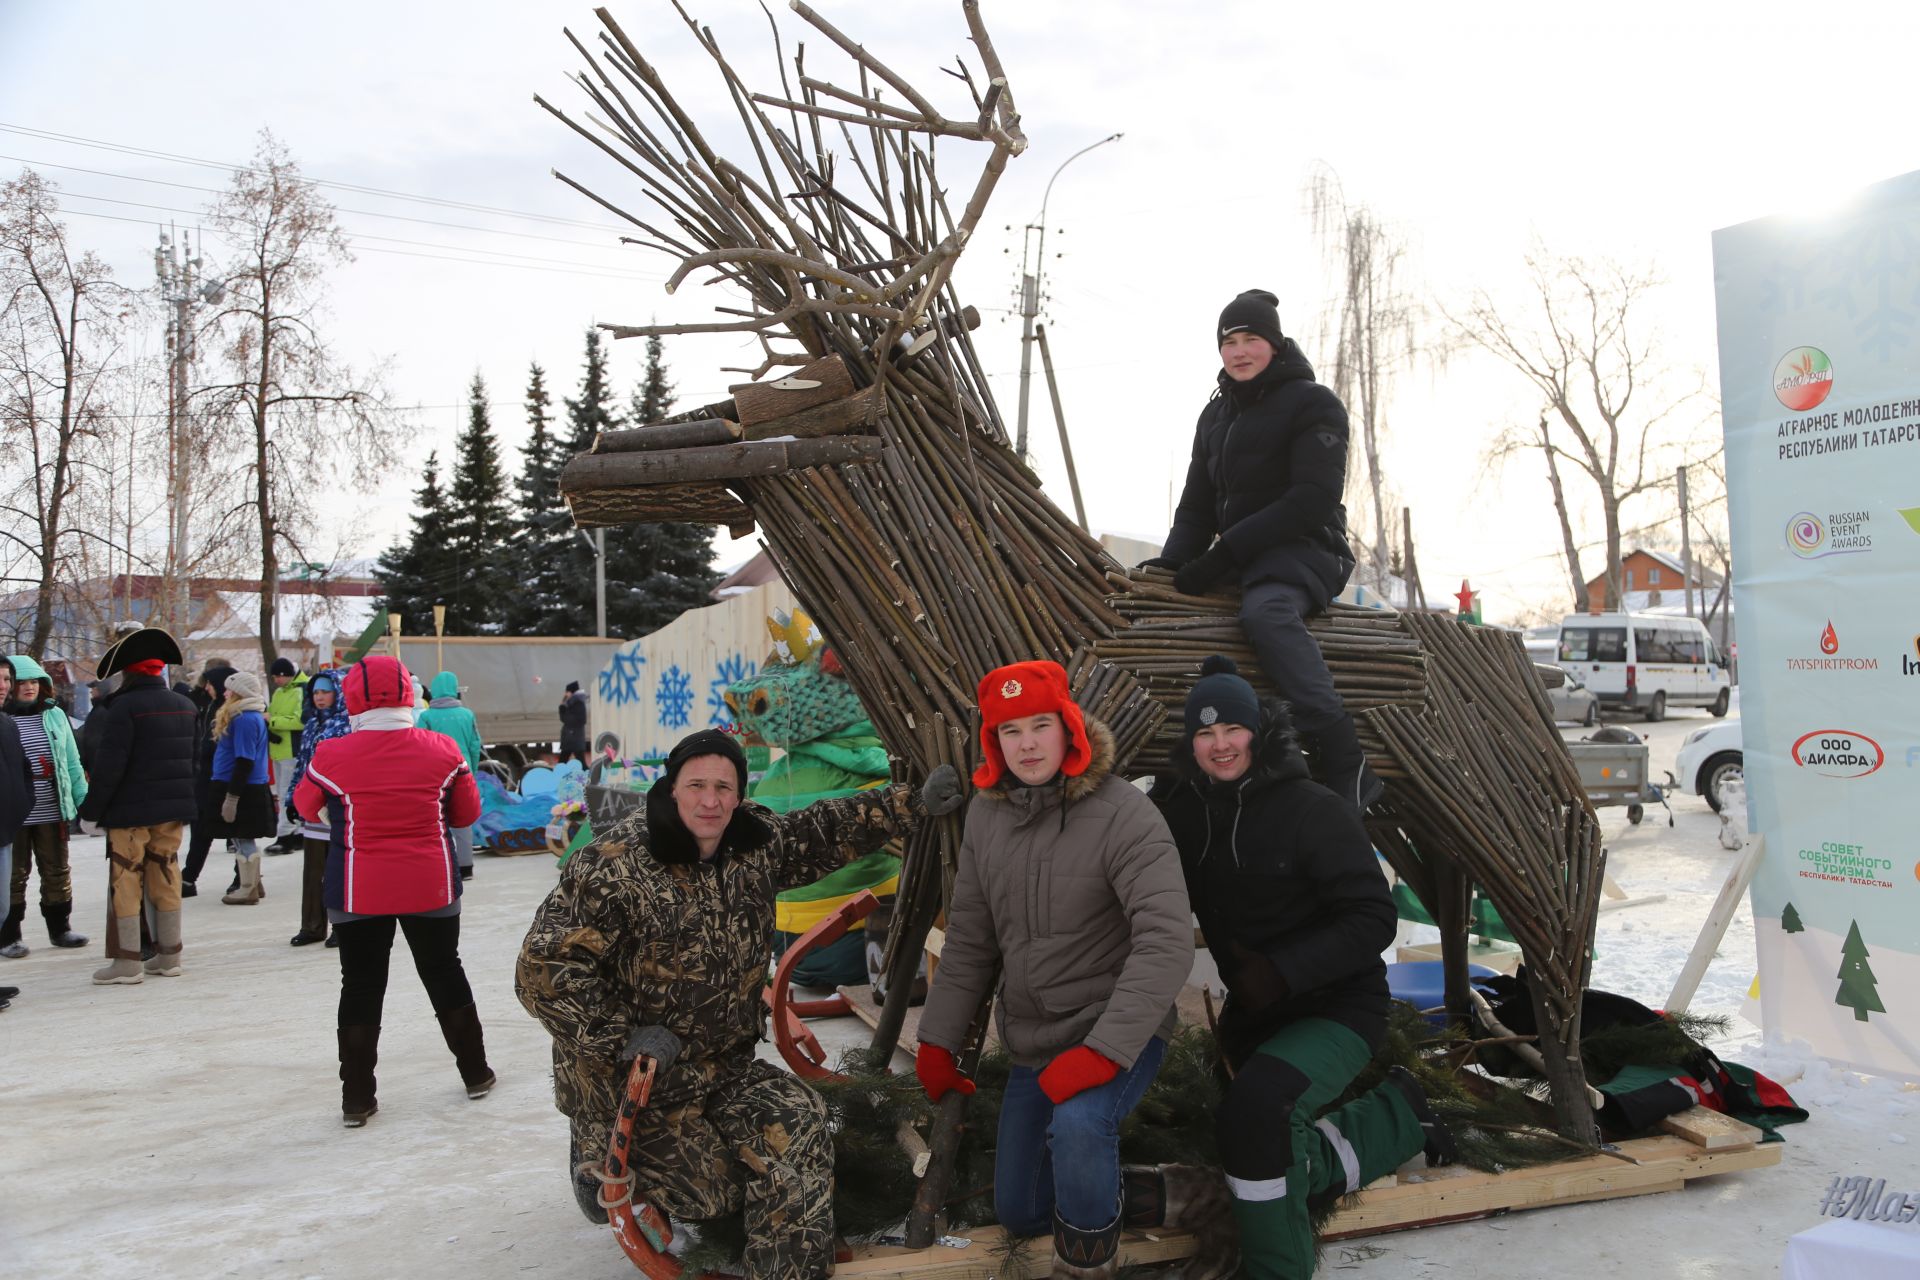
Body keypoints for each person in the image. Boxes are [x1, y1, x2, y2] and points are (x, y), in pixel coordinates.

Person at [517, 727, 958, 1280]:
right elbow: (543, 970)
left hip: (725, 1065)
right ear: (671, 787)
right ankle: (594, 1140)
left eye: (724, 787)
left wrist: (907, 804)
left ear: (740, 792)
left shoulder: (752, 843)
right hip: (633, 1074)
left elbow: (819, 831)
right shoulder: (616, 862)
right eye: (696, 784)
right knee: (710, 1194)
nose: (711, 800)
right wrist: (619, 1038)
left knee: (798, 1129)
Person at [1151, 657, 1455, 1280]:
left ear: (1257, 733)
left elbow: (1375, 917)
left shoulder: (1312, 808)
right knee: (1249, 1143)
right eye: (1204, 735)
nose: (1220, 745)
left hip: (1338, 1006)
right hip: (1255, 1014)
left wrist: (1284, 970)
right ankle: (1401, 1116)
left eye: (1232, 730)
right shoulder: (1184, 813)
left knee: (1258, 1116)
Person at [913, 660, 1193, 1280]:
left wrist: (1103, 1052)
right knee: (1020, 1207)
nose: (1028, 743)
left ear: (1069, 727)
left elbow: (1166, 942)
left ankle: (1089, 1267)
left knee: (1080, 1123)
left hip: (1115, 1028)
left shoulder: (1125, 814)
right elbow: (970, 943)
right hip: (1035, 1041)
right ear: (994, 743)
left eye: (1041, 724)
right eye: (1010, 731)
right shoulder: (988, 818)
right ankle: (1177, 1192)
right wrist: (937, 1041)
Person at [1147, 289, 1382, 811]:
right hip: (1244, 556)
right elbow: (1195, 507)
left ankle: (1342, 752)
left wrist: (1224, 553)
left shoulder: (1314, 403)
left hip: (1306, 547)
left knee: (1267, 612)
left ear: (1274, 345)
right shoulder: (1214, 418)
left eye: (1251, 338)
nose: (1239, 350)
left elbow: (1312, 500)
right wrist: (1169, 566)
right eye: (1229, 341)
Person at [294, 654, 494, 1126]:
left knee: (360, 985)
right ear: (409, 694)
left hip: (357, 887)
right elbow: (466, 815)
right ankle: (476, 1072)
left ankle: (357, 1098)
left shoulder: (331, 755)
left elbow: (305, 806)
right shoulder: (443, 749)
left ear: (354, 699)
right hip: (431, 882)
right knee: (444, 971)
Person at [76, 628, 198, 985]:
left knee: (126, 879)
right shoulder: (186, 705)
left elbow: (109, 767)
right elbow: (193, 762)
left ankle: (128, 961)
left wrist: (90, 812)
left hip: (129, 812)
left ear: (128, 671)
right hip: (172, 811)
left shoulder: (123, 708)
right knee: (167, 874)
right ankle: (169, 956)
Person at [2, 654, 89, 956]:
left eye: (34, 682)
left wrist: (84, 803)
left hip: (53, 806)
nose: (29, 688)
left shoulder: (54, 716)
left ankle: (60, 929)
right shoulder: (4, 719)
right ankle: (9, 935)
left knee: (56, 870)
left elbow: (72, 762)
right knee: (15, 874)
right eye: (21, 682)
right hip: (14, 811)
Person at [284, 669, 349, 947]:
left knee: (337, 869)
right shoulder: (311, 724)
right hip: (312, 803)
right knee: (313, 868)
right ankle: (312, 925)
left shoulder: (346, 724)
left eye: (325, 692)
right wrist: (291, 798)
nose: (320, 697)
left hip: (335, 804)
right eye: (316, 692)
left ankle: (342, 925)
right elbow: (301, 765)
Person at [206, 670, 275, 906]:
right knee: (240, 836)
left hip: (242, 787)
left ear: (239, 693)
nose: (225, 693)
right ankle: (254, 882)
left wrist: (232, 797)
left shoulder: (246, 718)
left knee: (242, 836)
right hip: (239, 784)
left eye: (229, 689)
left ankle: (247, 888)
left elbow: (245, 760)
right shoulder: (244, 716)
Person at [416, 670, 484, 880]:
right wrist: (471, 770)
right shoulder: (467, 714)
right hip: (462, 770)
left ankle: (442, 864)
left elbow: (420, 746)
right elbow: (475, 745)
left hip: (435, 772)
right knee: (463, 819)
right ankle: (466, 867)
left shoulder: (426, 716)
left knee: (437, 818)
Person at [179, 661, 236, 897]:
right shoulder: (211, 705)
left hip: (224, 777)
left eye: (211, 684)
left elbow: (222, 745)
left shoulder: (232, 711)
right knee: (201, 829)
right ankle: (189, 878)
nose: (208, 688)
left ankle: (244, 877)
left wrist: (203, 750)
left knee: (237, 831)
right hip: (205, 777)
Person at [0, 659, 32, 1005]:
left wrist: (23, 804)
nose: (4, 685)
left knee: (1, 909)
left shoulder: (8, 724)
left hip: (5, 830)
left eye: (7, 678)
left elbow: (24, 772)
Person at [265, 657, 309, 853]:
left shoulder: (302, 690)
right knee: (286, 792)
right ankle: (298, 832)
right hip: (280, 749)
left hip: (293, 749)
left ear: (285, 675)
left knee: (286, 793)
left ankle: (285, 835)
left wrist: (272, 721)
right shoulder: (281, 692)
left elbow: (301, 720)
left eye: (277, 677)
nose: (275, 681)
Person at [557, 681, 588, 765]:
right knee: (565, 761)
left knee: (578, 763)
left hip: (573, 738)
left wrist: (563, 709)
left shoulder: (577, 703)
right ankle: (557, 776)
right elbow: (565, 719)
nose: (565, 694)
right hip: (571, 738)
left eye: (567, 692)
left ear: (571, 692)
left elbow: (580, 720)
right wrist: (562, 706)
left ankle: (591, 777)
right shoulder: (572, 702)